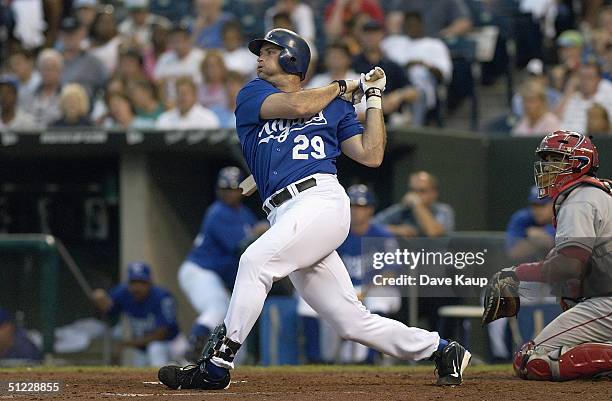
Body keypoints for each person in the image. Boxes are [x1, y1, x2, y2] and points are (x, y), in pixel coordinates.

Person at [158, 28, 470, 390]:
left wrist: (372, 98)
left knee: (255, 262)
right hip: (284, 211)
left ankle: (217, 363)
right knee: (351, 322)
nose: (259, 57)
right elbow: (299, 106)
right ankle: (442, 349)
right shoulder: (253, 93)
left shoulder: (334, 108)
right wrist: (343, 85)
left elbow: (371, 154)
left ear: (291, 58)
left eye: (270, 51)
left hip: (320, 201)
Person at [492, 131, 612, 381]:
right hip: (603, 299)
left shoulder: (580, 199)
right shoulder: (596, 193)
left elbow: (569, 265)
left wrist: (516, 273)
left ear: (579, 162)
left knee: (532, 360)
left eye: (555, 160)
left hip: (607, 303)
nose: (547, 167)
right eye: (546, 160)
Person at [297, 184, 399, 364]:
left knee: (378, 298)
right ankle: (314, 359)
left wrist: (364, 291)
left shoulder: (383, 235)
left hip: (375, 289)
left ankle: (372, 359)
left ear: (370, 210)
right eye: (352, 206)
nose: (356, 211)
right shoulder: (337, 234)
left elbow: (391, 273)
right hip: (346, 290)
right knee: (306, 302)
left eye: (361, 207)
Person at [178, 167, 267, 362]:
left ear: (241, 190)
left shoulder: (244, 214)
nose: (229, 194)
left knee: (231, 321)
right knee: (217, 308)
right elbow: (240, 246)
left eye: (233, 189)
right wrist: (258, 232)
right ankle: (190, 355)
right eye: (225, 189)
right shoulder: (217, 213)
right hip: (199, 270)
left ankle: (221, 363)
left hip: (214, 275)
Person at [488, 185, 556, 362]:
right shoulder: (522, 218)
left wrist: (540, 238)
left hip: (559, 281)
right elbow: (513, 252)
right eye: (534, 205)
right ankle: (500, 356)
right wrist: (541, 239)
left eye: (542, 205)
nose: (537, 210)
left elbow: (554, 243)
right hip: (531, 281)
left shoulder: (564, 215)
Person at [92, 261, 183, 367]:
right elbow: (109, 311)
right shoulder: (123, 293)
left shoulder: (162, 297)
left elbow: (162, 334)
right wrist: (101, 301)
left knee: (155, 349)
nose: (137, 287)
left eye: (141, 282)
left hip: (170, 344)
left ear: (150, 282)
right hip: (142, 347)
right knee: (140, 374)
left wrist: (128, 343)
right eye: (133, 282)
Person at [353, 19, 424, 126]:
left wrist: (398, 95)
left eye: (374, 34)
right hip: (359, 116)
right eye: (367, 34)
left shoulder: (391, 65)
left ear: (381, 36)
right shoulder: (353, 63)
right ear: (361, 36)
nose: (370, 38)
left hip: (389, 118)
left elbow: (414, 92)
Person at [373, 171, 455, 238]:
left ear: (434, 193)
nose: (416, 195)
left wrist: (417, 205)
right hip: (409, 256)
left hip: (434, 256)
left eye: (422, 191)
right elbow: (370, 226)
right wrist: (397, 230)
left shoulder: (444, 210)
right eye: (413, 190)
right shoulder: (403, 209)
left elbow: (433, 232)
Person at [555, 59, 612, 133]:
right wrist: (569, 91)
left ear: (598, 79)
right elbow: (553, 119)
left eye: (589, 77)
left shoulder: (607, 97)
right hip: (565, 140)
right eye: (582, 77)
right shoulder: (572, 98)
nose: (585, 81)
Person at [153, 23, 205, 104]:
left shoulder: (201, 57)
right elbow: (159, 84)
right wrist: (165, 103)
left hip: (197, 102)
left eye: (181, 41)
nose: (179, 45)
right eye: (175, 41)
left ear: (188, 40)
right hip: (171, 103)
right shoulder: (164, 58)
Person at [58, 16, 108, 99]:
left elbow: (107, 87)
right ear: (60, 35)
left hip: (85, 109)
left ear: (82, 33)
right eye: (66, 33)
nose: (70, 37)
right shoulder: (53, 61)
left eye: (74, 33)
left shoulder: (94, 63)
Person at [155, 77, 220, 129]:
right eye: (179, 93)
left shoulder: (208, 118)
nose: (182, 97)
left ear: (195, 96)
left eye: (186, 93)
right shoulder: (164, 119)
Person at [25, 49, 63, 128]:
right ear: (39, 70)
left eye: (53, 68)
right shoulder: (29, 94)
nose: (48, 72)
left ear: (60, 70)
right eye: (45, 68)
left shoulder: (66, 95)